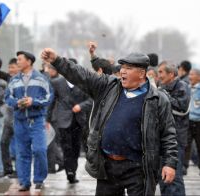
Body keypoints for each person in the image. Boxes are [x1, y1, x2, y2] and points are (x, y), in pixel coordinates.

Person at [41, 47, 178, 196]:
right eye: (123, 67)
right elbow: (81, 75)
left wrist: (169, 164)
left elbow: (168, 134)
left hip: (139, 167)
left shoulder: (158, 99)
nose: (123, 71)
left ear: (141, 73)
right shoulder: (108, 86)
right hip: (108, 165)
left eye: (129, 68)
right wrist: (57, 60)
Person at [5, 51, 53, 191]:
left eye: (20, 59)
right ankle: (25, 182)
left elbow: (49, 97)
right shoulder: (13, 80)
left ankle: (39, 179)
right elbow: (7, 98)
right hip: (20, 121)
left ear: (29, 61)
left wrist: (33, 101)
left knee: (40, 150)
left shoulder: (41, 79)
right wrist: (17, 103)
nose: (17, 62)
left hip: (37, 121)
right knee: (22, 153)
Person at [46, 62, 92, 183]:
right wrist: (47, 119)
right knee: (66, 147)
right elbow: (51, 102)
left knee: (76, 147)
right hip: (63, 120)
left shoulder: (83, 83)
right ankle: (69, 172)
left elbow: (91, 100)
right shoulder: (57, 82)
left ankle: (73, 170)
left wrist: (81, 106)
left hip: (79, 120)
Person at [158, 61, 190, 196]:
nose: (158, 76)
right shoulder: (162, 86)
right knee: (163, 177)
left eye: (161, 72)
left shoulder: (182, 87)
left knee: (174, 178)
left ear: (171, 74)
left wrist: (162, 94)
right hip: (162, 139)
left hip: (176, 139)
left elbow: (181, 107)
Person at [184, 68, 200, 175]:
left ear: (199, 77)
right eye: (189, 74)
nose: (190, 76)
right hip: (188, 120)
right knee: (186, 144)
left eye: (193, 74)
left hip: (199, 121)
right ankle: (184, 166)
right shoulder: (187, 88)